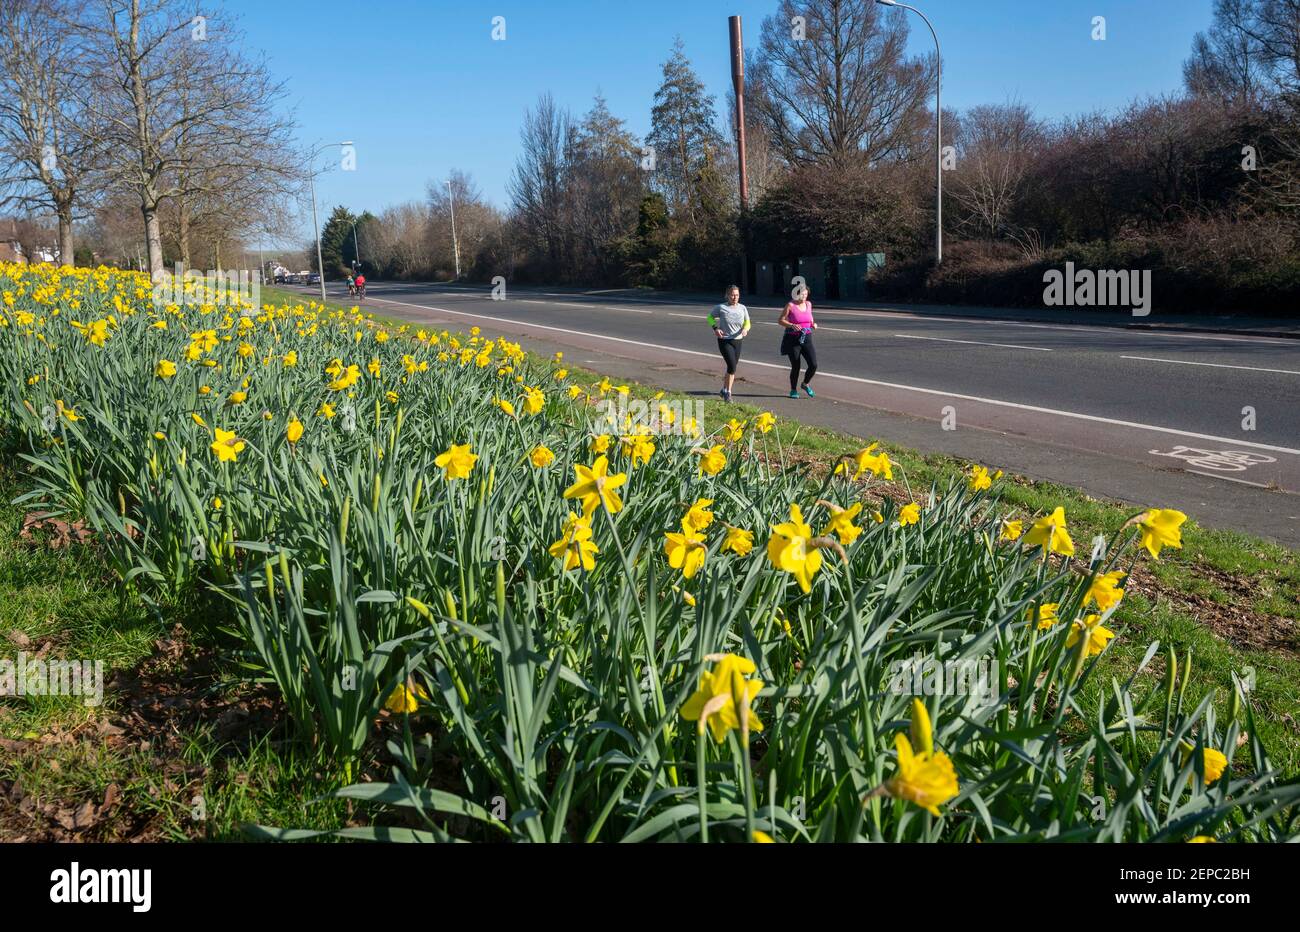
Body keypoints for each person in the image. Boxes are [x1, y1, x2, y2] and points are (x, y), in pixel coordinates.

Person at [708, 285, 751, 402]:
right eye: (732, 295)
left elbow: (748, 322)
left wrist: (745, 329)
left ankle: (723, 389)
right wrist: (716, 328)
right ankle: (728, 393)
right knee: (732, 366)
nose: (735, 297)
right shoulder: (721, 307)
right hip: (724, 340)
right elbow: (710, 317)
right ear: (727, 295)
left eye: (737, 295)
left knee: (731, 368)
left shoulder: (742, 308)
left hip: (738, 340)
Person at [778, 284, 818, 398]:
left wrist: (813, 324)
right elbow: (780, 320)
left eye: (806, 294)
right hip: (793, 339)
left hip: (807, 337)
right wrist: (791, 325)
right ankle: (793, 390)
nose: (804, 297)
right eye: (802, 294)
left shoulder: (809, 304)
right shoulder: (790, 305)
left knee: (813, 364)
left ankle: (805, 384)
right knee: (796, 366)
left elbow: (810, 318)